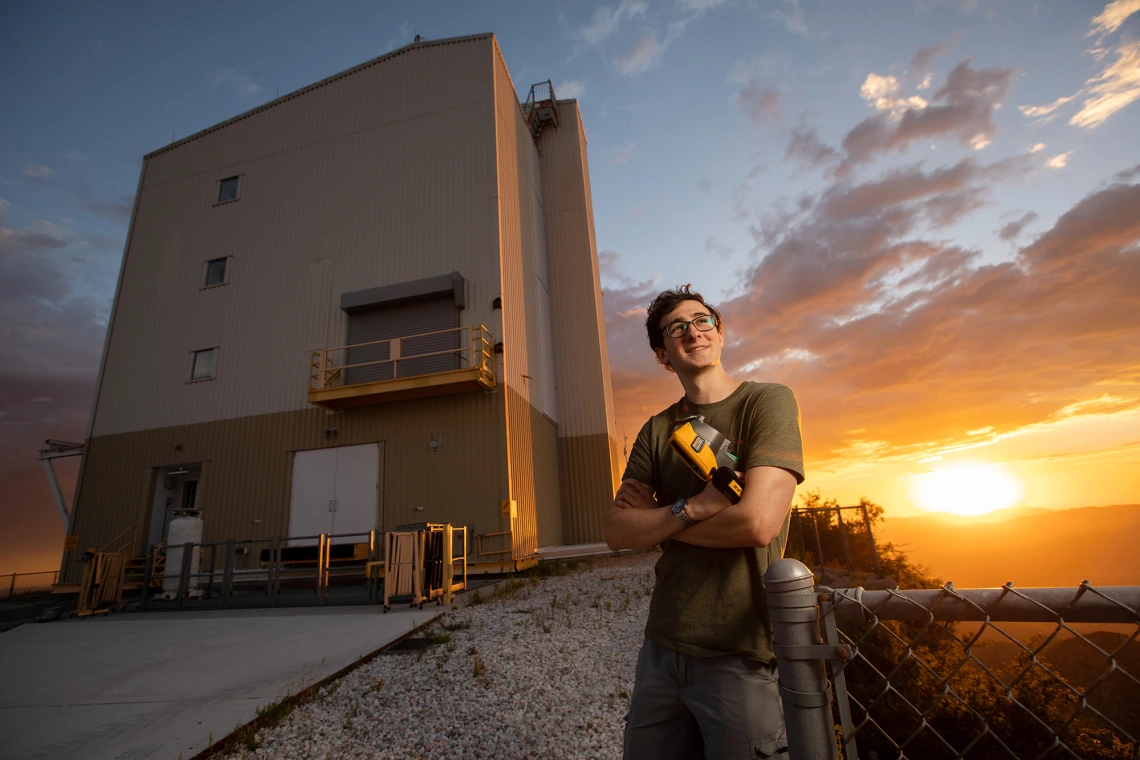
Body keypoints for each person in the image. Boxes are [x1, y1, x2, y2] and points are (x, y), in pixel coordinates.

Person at [604, 285, 805, 759]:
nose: (693, 332)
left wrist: (657, 525)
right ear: (662, 354)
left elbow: (757, 524)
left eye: (702, 320)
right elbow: (616, 533)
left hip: (741, 652)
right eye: (677, 329)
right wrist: (693, 507)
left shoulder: (766, 402)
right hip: (662, 646)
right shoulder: (656, 430)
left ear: (719, 330)